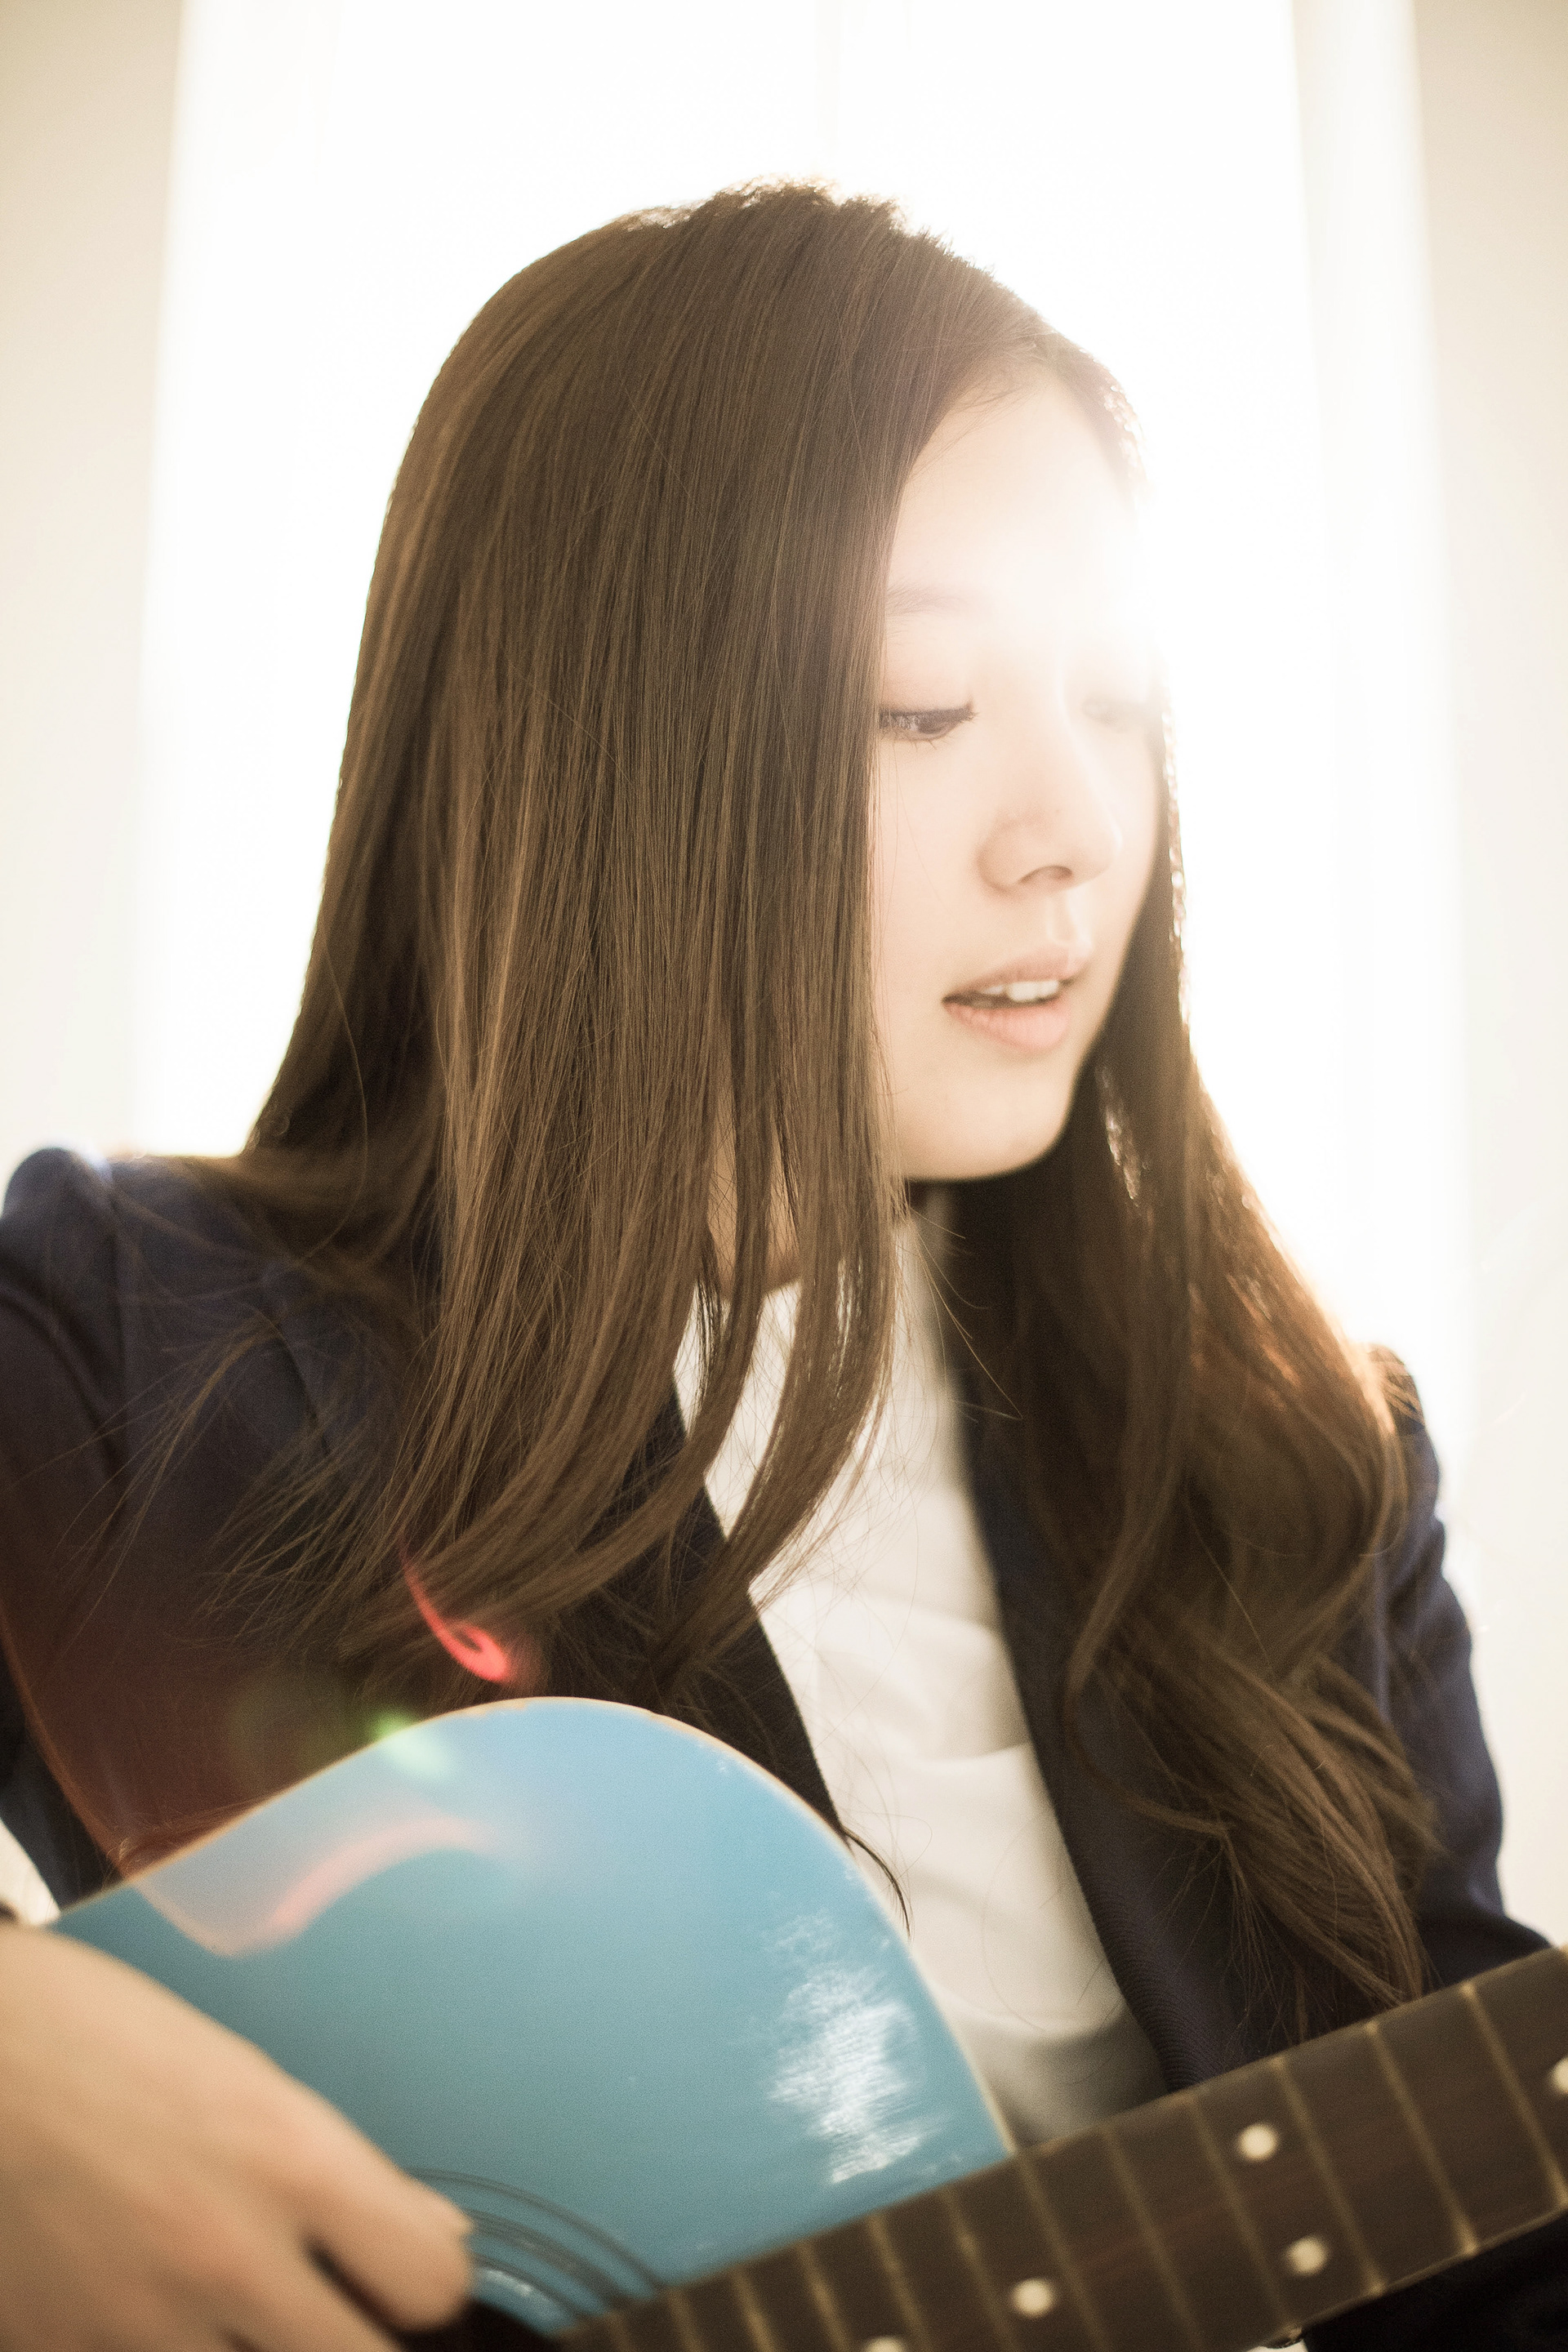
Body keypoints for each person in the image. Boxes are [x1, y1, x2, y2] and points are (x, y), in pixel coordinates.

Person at [0, 184, 1561, 2350]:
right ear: (602, 744)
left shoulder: (1301, 1460)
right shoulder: (130, 1339)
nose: (1072, 831)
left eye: (1120, 699)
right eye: (921, 704)